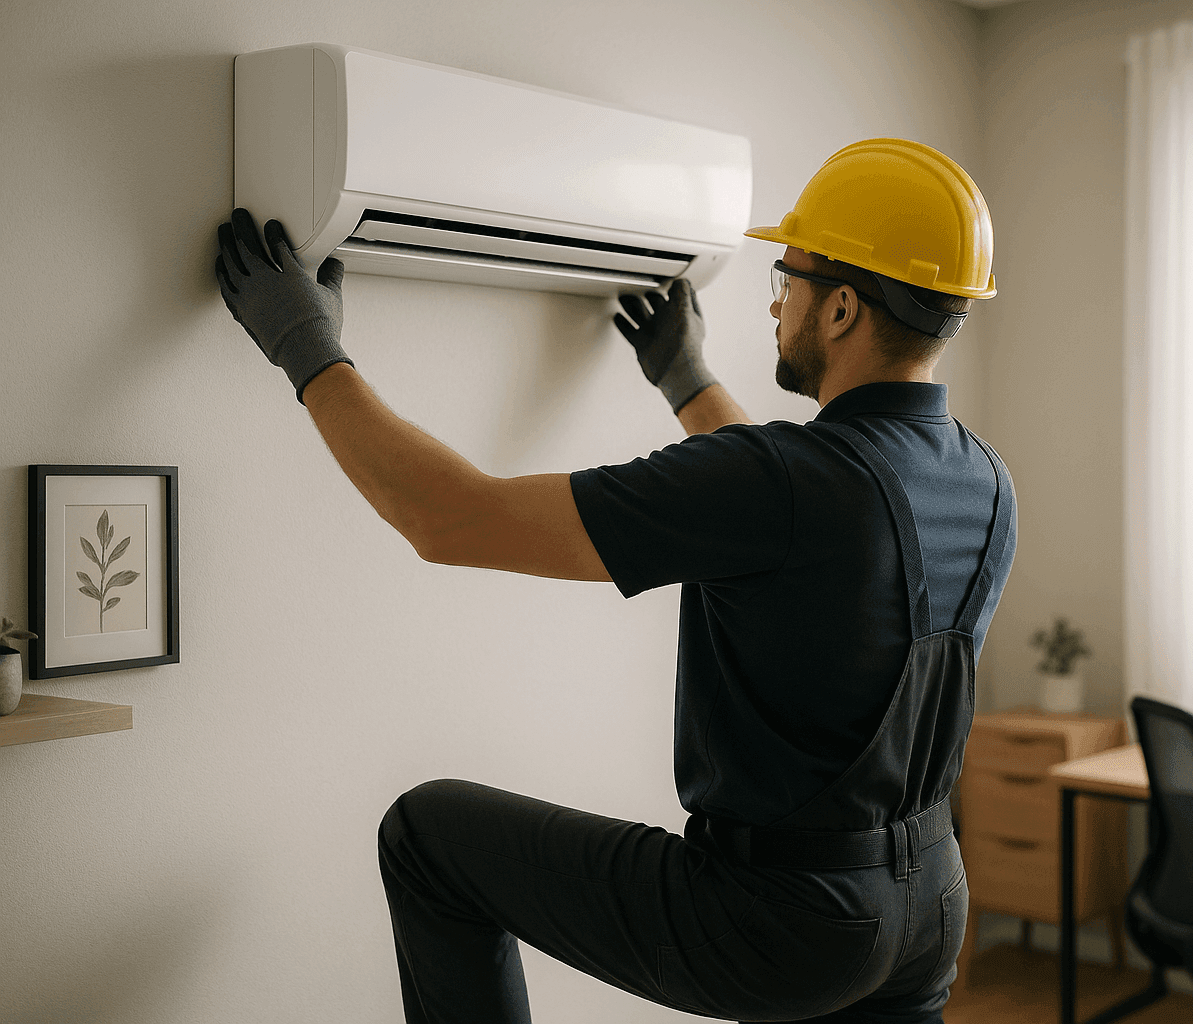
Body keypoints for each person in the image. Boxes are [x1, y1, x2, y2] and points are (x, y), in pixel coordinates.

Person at [214, 137, 1015, 1024]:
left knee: (428, 836)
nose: (778, 304)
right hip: (927, 909)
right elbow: (805, 507)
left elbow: (449, 518)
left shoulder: (784, 480)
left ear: (840, 312)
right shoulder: (982, 479)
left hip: (775, 923)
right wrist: (686, 376)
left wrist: (305, 346)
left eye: (787, 281)